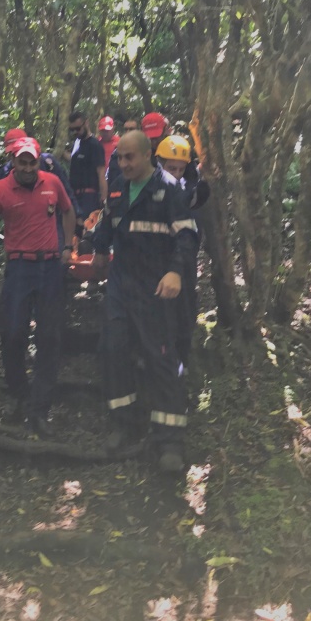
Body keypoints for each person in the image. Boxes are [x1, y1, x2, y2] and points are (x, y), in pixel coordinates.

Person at [93, 130, 198, 472]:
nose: (123, 163)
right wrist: (97, 251)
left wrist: (176, 272)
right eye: (120, 158)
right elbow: (108, 225)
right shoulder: (118, 188)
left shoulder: (170, 188)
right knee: (113, 348)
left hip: (155, 288)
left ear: (147, 155)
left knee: (161, 356)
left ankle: (170, 440)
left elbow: (187, 236)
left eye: (130, 157)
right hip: (121, 286)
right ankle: (124, 423)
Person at [0, 137, 76, 438]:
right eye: (22, 162)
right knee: (12, 333)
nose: (28, 167)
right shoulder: (0, 189)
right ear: (13, 162)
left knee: (49, 336)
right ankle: (20, 396)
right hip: (19, 268)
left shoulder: (52, 182)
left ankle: (40, 409)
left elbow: (68, 210)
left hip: (49, 267)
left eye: (32, 162)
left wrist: (68, 246)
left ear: (39, 161)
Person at [155, 135, 209, 371]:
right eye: (171, 168)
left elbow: (193, 230)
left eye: (180, 169)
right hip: (157, 260)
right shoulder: (153, 188)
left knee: (185, 311)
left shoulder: (191, 189)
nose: (176, 173)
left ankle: (181, 361)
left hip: (185, 261)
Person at [0, 128, 82, 250]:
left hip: (52, 225)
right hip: (20, 234)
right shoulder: (3, 173)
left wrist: (78, 217)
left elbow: (67, 192)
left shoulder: (48, 163)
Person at [68, 111, 107, 234]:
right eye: (72, 130)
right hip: (75, 197)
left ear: (86, 123)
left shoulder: (95, 145)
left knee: (86, 231)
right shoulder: (77, 145)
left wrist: (104, 200)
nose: (75, 132)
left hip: (89, 198)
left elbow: (101, 174)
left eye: (78, 128)